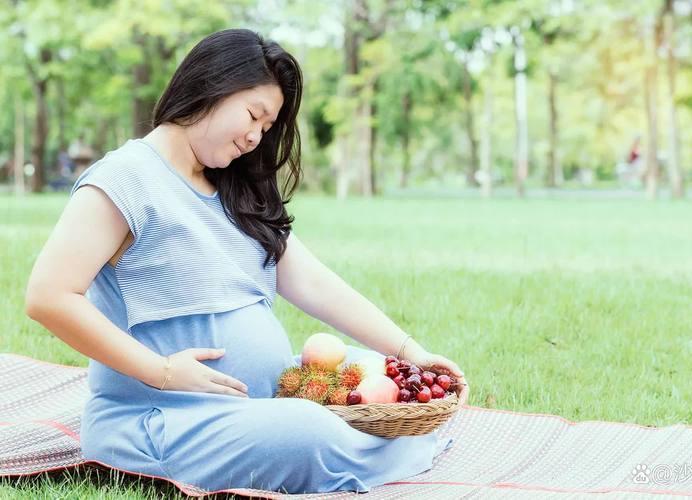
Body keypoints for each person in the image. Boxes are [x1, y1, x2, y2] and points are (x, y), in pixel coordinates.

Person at [24, 29, 467, 494]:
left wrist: (410, 352)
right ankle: (377, 449)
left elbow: (314, 283)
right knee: (305, 432)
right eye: (254, 116)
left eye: (267, 128)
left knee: (380, 377)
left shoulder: (233, 190)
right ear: (211, 84)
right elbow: (49, 296)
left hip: (253, 405)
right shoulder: (126, 179)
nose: (256, 137)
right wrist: (163, 373)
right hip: (160, 419)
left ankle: (383, 439)